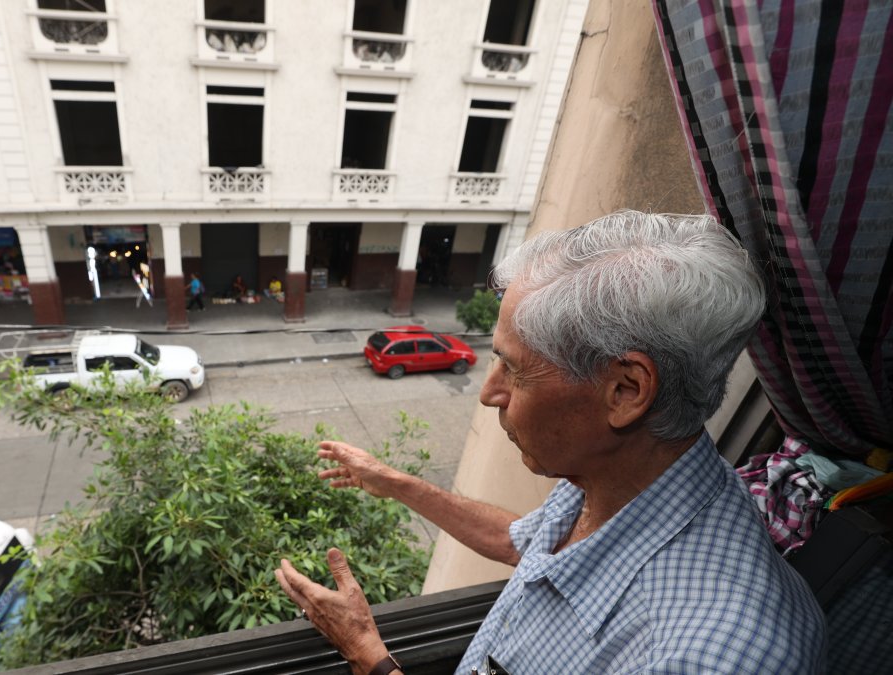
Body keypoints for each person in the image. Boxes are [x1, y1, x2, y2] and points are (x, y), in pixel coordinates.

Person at [275, 211, 825, 674]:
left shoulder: (696, 656)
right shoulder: (617, 481)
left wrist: (370, 654)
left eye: (514, 370)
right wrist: (392, 482)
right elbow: (524, 543)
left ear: (625, 391)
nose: (490, 393)